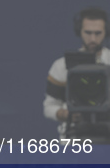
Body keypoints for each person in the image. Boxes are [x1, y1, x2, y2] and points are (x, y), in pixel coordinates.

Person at [44, 7, 110, 136]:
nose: (93, 39)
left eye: (98, 33)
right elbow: (48, 107)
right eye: (88, 32)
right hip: (74, 134)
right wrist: (67, 114)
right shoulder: (62, 66)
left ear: (106, 32)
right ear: (79, 31)